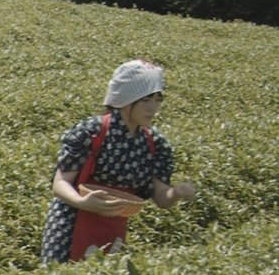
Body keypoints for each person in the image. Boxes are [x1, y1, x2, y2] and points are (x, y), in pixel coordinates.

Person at [40, 58, 198, 264]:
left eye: (158, 100)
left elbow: (161, 198)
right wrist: (82, 202)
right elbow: (60, 182)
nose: (153, 108)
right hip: (70, 222)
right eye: (146, 100)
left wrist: (176, 193)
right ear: (126, 99)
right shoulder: (91, 131)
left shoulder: (155, 143)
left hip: (112, 226)